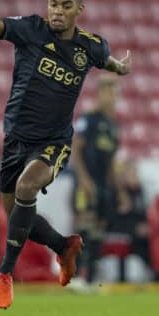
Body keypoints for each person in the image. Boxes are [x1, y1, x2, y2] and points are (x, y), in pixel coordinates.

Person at [0, 0, 131, 309]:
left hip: (54, 142)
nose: (57, 11)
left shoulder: (91, 47)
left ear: (79, 10)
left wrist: (120, 66)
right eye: (53, 4)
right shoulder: (31, 29)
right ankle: (63, 246)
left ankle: (4, 275)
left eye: (65, 6)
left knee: (27, 189)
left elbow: (108, 61)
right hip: (15, 140)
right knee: (16, 214)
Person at [70, 74, 120, 283]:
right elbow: (76, 150)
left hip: (103, 185)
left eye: (114, 92)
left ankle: (90, 278)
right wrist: (84, 180)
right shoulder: (88, 119)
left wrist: (118, 189)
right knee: (85, 227)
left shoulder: (113, 125)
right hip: (86, 183)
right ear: (99, 94)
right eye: (107, 91)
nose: (111, 96)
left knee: (99, 229)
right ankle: (75, 275)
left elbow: (110, 162)